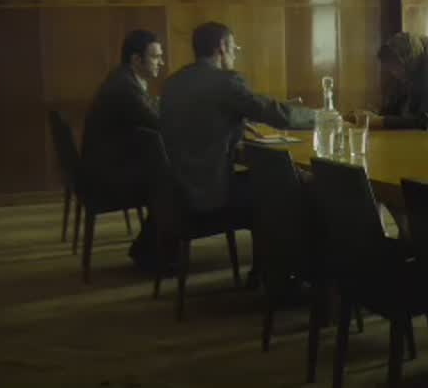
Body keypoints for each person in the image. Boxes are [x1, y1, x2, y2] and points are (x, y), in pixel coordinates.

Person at [129, 22, 314, 271]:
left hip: (176, 192)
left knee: (273, 180)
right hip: (209, 193)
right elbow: (274, 114)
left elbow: (200, 120)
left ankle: (270, 271)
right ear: (222, 47)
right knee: (282, 187)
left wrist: (237, 121)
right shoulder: (227, 82)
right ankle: (282, 273)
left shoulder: (174, 82)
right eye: (234, 48)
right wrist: (321, 117)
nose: (235, 54)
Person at [80, 29, 164, 204]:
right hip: (110, 177)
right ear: (136, 60)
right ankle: (164, 220)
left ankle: (162, 219)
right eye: (155, 57)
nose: (161, 63)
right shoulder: (126, 87)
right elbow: (158, 123)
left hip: (106, 166)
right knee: (171, 174)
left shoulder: (122, 77)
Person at [350, 32, 428, 134]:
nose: (391, 71)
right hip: (418, 142)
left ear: (408, 61)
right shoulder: (404, 82)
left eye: (394, 64)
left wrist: (378, 121)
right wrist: (369, 115)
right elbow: (390, 113)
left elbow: (423, 122)